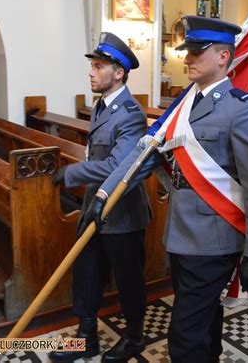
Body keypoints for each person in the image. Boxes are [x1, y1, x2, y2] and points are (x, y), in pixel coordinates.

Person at [84, 16, 248, 362]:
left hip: (216, 235)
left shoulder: (241, 108)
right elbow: (142, 154)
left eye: (196, 52)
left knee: (185, 337)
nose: (186, 58)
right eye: (186, 51)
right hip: (181, 232)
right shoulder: (182, 105)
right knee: (205, 320)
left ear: (223, 57)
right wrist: (105, 194)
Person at [49, 32, 150, 362]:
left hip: (122, 214)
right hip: (95, 206)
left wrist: (71, 175)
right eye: (92, 66)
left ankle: (134, 337)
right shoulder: (101, 106)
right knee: (87, 275)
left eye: (98, 66)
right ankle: (85, 340)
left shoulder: (130, 113)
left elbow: (117, 165)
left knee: (128, 280)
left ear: (118, 72)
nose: (91, 72)